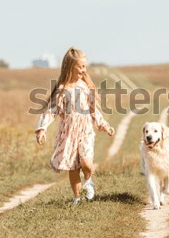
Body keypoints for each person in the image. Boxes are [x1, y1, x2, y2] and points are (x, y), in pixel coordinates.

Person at [35, 47, 115, 204]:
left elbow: (93, 110)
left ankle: (88, 181)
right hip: (68, 133)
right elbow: (52, 111)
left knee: (86, 164)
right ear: (70, 66)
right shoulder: (62, 89)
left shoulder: (85, 87)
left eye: (85, 66)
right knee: (73, 167)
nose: (84, 69)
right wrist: (42, 128)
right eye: (81, 66)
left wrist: (104, 125)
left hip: (85, 130)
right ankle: (77, 197)